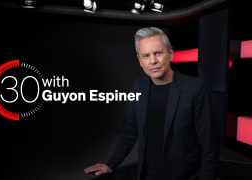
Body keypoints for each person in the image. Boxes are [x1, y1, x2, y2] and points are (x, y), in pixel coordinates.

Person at [84, 27, 220, 180]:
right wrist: (111, 164)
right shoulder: (138, 86)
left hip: (186, 176)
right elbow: (130, 131)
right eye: (146, 56)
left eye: (158, 53)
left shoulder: (195, 89)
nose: (153, 61)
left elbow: (209, 145)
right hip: (147, 175)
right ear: (140, 61)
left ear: (171, 53)